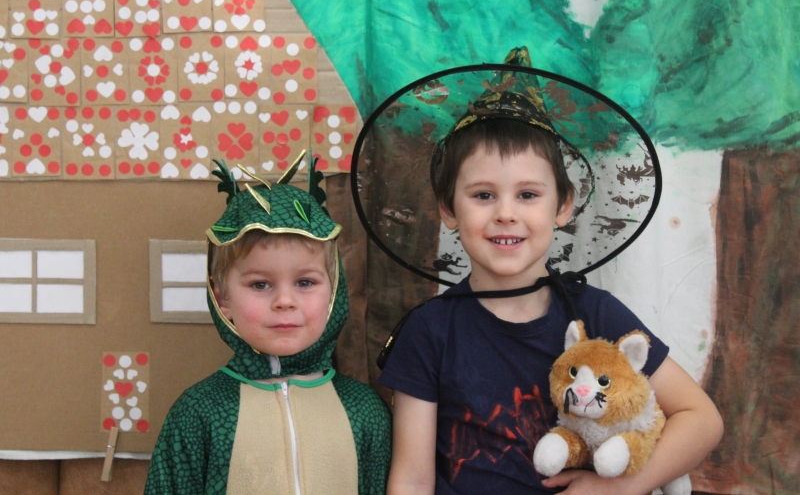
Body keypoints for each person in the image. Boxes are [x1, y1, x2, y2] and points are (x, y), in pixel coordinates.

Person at [357, 48, 723, 494]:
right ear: (449, 209)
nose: (506, 213)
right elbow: (413, 479)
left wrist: (616, 489)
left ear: (562, 206)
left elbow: (702, 420)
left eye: (528, 195)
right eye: (483, 195)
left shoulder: (597, 316)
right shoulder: (429, 331)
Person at [145, 154, 392, 495]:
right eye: (260, 284)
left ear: (334, 292)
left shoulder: (365, 411)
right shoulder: (198, 412)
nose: (285, 301)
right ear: (222, 298)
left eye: (305, 282)